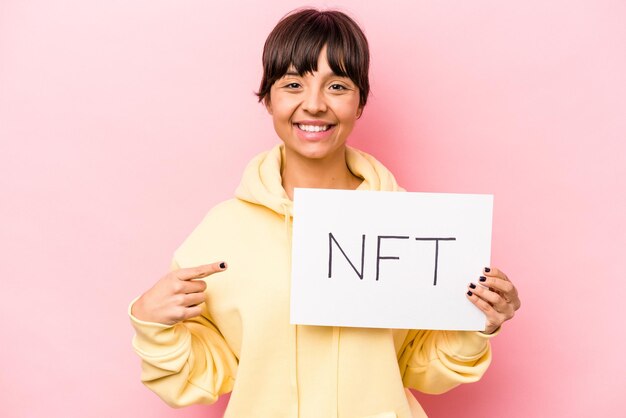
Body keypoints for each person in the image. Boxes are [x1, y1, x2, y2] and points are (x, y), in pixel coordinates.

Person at [128, 8, 521, 418]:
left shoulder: (410, 225)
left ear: (360, 102)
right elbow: (209, 374)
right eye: (293, 83)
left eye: (337, 85)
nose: (313, 105)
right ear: (267, 98)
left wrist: (478, 321)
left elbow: (419, 365)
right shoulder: (222, 233)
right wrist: (150, 322)